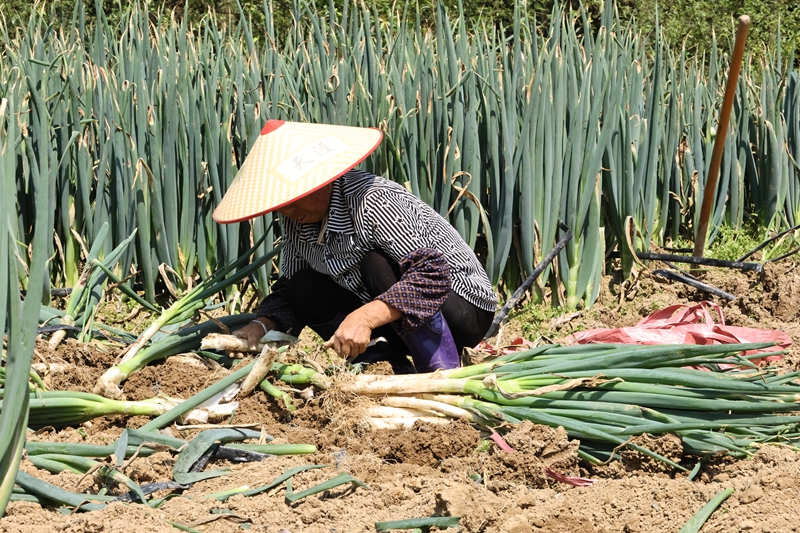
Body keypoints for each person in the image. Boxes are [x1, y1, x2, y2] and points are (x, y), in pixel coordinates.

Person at [213, 119, 496, 374]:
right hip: (395, 316)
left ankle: (441, 372)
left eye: (295, 199)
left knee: (375, 263)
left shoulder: (373, 200)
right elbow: (289, 291)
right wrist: (259, 326)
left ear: (320, 180)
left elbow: (430, 275)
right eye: (281, 205)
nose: (290, 211)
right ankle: (380, 365)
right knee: (302, 285)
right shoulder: (297, 221)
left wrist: (364, 317)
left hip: (461, 308)